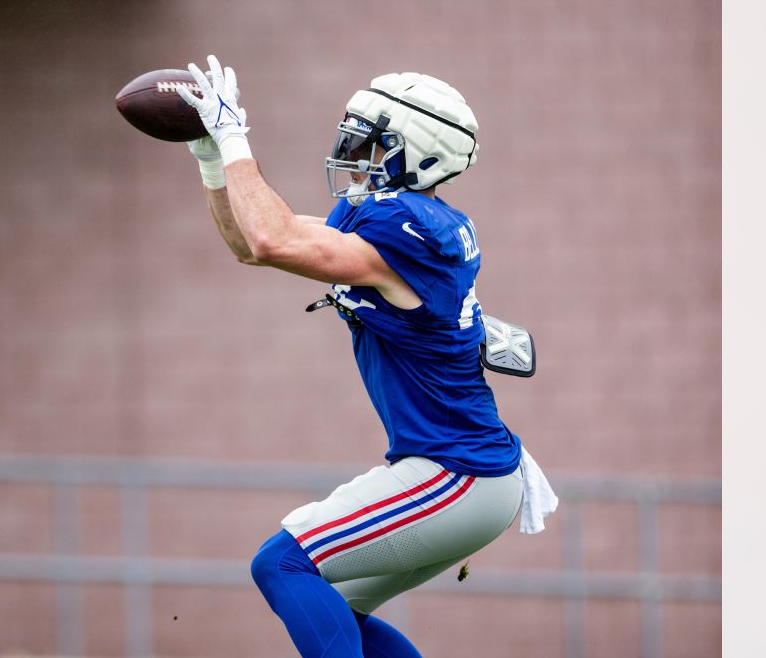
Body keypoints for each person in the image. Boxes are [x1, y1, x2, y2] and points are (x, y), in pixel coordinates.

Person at [175, 55, 557, 658]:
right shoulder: (404, 223)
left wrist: (235, 136)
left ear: (418, 152)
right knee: (338, 612)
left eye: (375, 146)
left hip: (458, 472)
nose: (359, 159)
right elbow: (252, 243)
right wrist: (211, 159)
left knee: (282, 565)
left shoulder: (407, 228)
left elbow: (272, 237)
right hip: (464, 469)